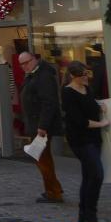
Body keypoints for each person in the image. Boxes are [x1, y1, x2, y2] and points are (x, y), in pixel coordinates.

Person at [62, 60, 109, 222]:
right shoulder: (68, 93)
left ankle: (84, 219)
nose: (86, 77)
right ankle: (91, 219)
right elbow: (80, 121)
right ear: (73, 76)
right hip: (80, 140)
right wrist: (102, 124)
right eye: (82, 75)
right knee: (97, 175)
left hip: (94, 138)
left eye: (87, 74)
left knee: (89, 176)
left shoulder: (87, 89)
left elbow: (90, 105)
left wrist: (100, 106)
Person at [18, 51, 65, 204]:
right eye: (21, 64)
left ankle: (54, 192)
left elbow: (48, 102)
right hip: (36, 123)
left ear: (34, 59)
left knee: (42, 159)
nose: (24, 66)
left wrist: (42, 126)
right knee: (43, 158)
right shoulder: (34, 74)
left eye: (26, 62)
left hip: (40, 126)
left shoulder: (43, 76)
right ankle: (53, 189)